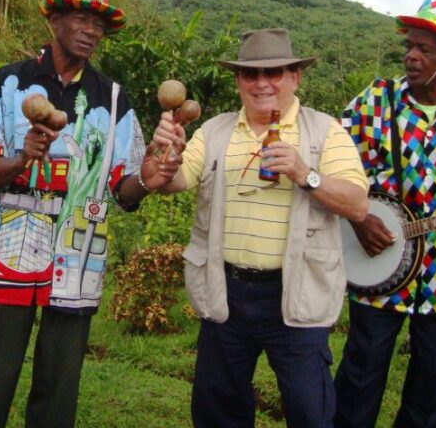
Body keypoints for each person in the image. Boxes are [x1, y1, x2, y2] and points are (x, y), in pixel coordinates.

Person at [0, 0, 171, 428]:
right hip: (10, 245)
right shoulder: (11, 83)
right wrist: (22, 156)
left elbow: (120, 190)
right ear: (54, 21)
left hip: (78, 253)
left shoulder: (113, 99)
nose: (91, 31)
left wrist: (147, 180)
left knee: (59, 383)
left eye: (99, 25)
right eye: (82, 19)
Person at [150, 28, 368, 428]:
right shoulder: (213, 131)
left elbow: (356, 203)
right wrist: (164, 155)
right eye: (250, 74)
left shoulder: (325, 132)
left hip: (297, 294)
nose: (262, 83)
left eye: (275, 72)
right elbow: (170, 182)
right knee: (218, 411)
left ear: (295, 77)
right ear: (238, 81)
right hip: (225, 293)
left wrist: (306, 173)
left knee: (311, 412)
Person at [334, 0, 436, 428]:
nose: (412, 56)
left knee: (428, 388)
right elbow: (334, 162)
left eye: (426, 48)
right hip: (377, 263)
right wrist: (357, 216)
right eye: (410, 46)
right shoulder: (376, 102)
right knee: (358, 380)